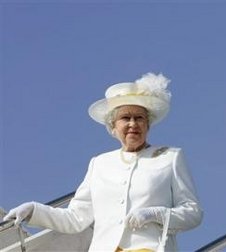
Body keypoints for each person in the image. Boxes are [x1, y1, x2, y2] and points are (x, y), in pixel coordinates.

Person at [4, 72, 203, 251]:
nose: (133, 124)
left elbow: (193, 212)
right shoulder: (99, 164)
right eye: (126, 117)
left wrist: (157, 214)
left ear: (147, 124)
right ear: (113, 127)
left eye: (139, 117)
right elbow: (76, 218)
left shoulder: (170, 157)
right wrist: (33, 210)